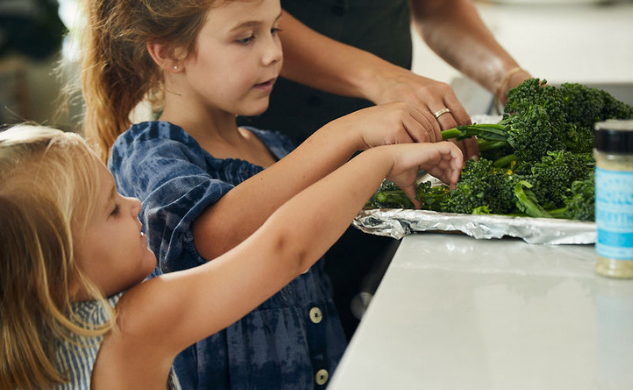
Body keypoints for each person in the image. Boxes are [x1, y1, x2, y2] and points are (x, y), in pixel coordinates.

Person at [77, 0, 452, 390]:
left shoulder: (273, 148)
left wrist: (411, 169)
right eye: (244, 37)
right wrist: (351, 130)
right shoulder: (148, 152)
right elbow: (217, 234)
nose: (274, 54)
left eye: (274, 30)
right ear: (169, 53)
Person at [178, 0, 535, 337]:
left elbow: (442, 1)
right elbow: (222, 0)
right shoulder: (174, 161)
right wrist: (378, 79)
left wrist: (511, 79)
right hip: (257, 149)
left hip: (386, 158)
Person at [0, 124, 462, 390]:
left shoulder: (32, 352)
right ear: (60, 275)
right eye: (112, 210)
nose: (135, 205)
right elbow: (284, 248)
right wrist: (376, 159)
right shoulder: (130, 328)